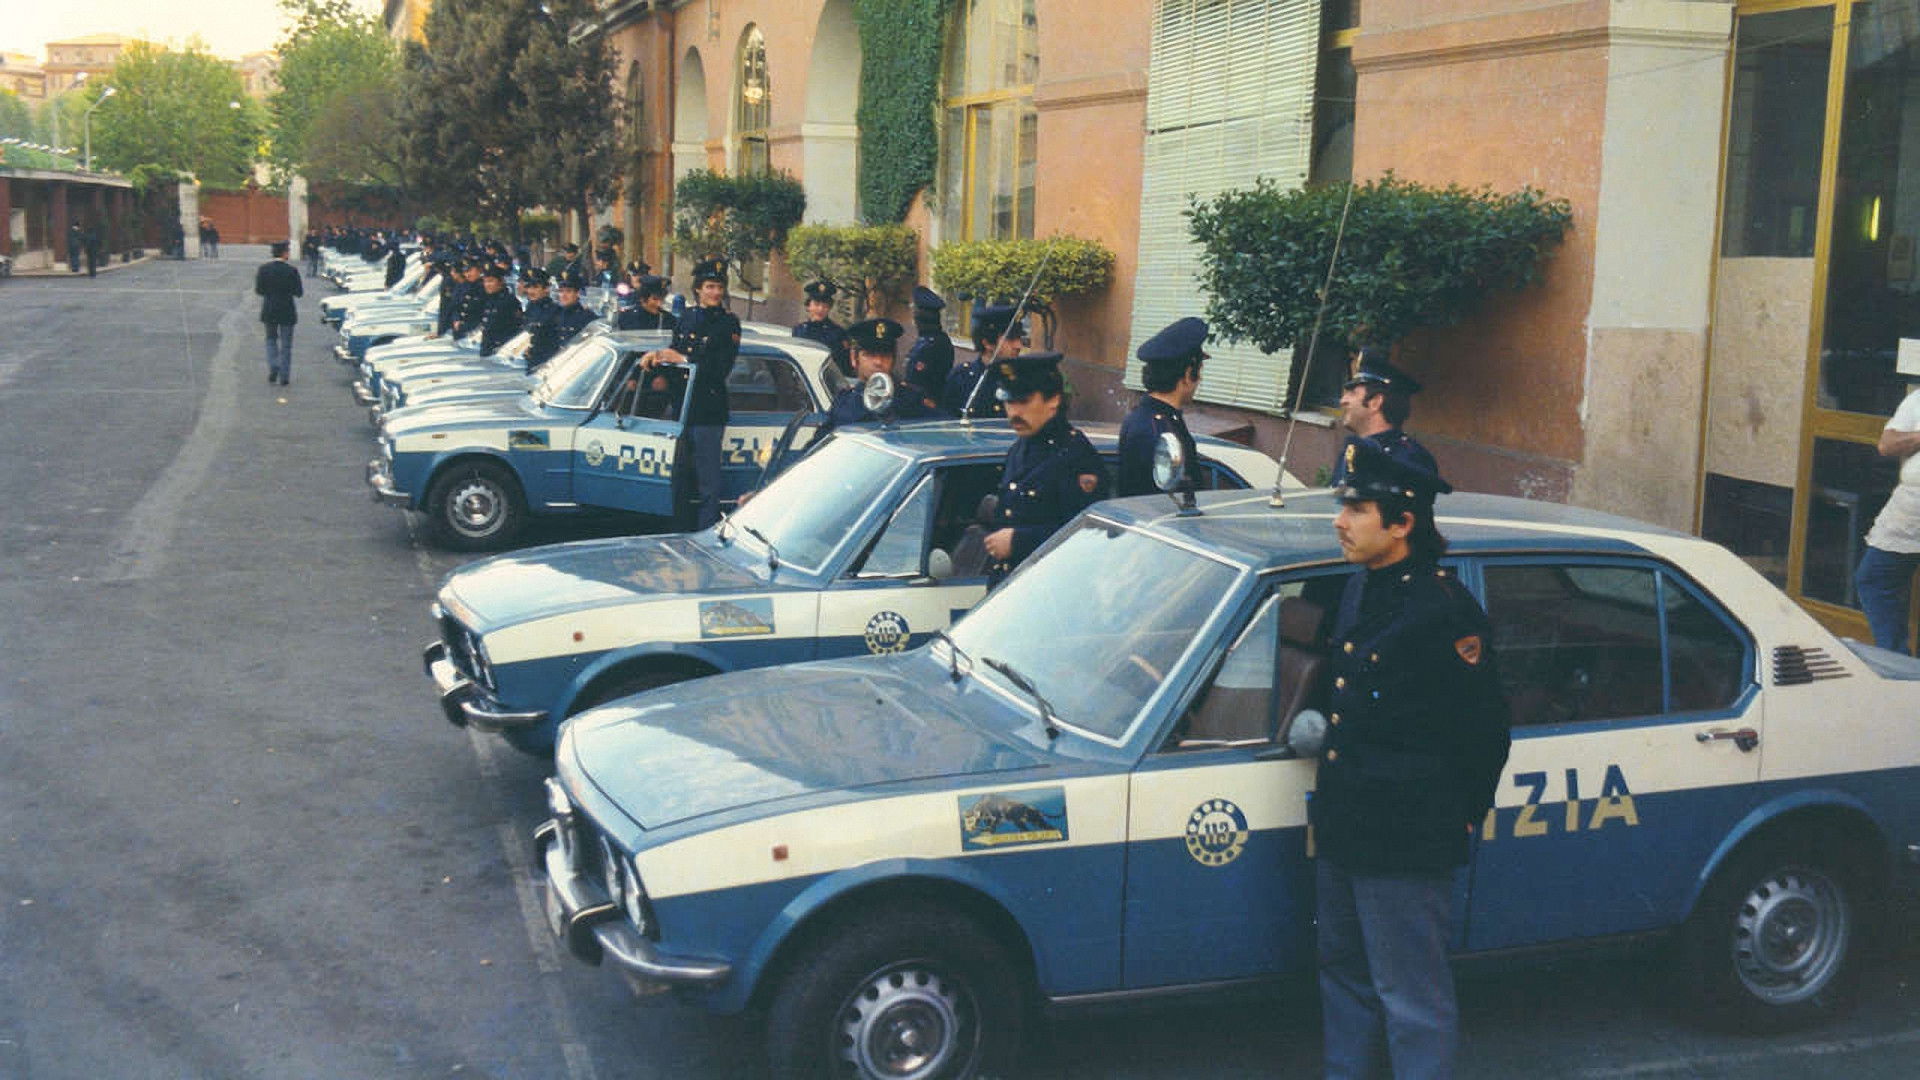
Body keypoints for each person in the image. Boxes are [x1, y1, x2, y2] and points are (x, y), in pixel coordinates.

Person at [1313, 437, 1510, 1080]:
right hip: (1346, 823)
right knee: (1343, 973)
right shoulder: (1360, 588)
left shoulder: (1443, 612)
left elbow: (1486, 732)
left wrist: (1458, 817)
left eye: (1357, 509)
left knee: (1410, 996)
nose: (1340, 521)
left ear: (1402, 524)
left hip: (1404, 837)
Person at [981, 351, 1109, 582]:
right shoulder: (1020, 448)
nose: (1014, 412)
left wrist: (1018, 541)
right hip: (1014, 583)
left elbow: (1086, 534)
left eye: (1024, 402)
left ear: (1053, 401)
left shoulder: (1075, 456)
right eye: (1009, 402)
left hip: (1053, 586)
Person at [641, 259, 739, 530]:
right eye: (709, 287)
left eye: (719, 287)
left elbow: (720, 368)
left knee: (708, 483)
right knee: (679, 480)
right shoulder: (686, 317)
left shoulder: (728, 323)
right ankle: (679, 533)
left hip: (708, 410)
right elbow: (673, 356)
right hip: (681, 409)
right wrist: (656, 359)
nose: (715, 292)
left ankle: (706, 533)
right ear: (698, 289)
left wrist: (683, 358)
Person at [1854, 383, 1920, 653]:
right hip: (1910, 506)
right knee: (1874, 578)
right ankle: (1897, 662)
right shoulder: (1917, 399)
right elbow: (1887, 444)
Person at [1117, 316, 1206, 497]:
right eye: (1199, 371)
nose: (1200, 379)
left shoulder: (1146, 417)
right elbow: (1165, 497)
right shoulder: (1158, 430)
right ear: (1188, 374)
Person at [1331, 347, 1437, 485]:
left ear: (1375, 402)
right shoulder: (1354, 451)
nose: (1343, 400)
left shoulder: (1409, 458)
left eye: (1352, 393)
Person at [943, 303, 1026, 419]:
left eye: (1019, 338)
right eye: (1010, 339)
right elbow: (948, 422)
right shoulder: (962, 378)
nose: (1018, 345)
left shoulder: (1024, 380)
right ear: (987, 343)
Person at [255, 240, 304, 386]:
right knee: (286, 344)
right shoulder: (292, 270)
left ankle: (274, 364)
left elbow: (259, 290)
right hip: (287, 310)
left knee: (271, 340)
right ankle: (284, 375)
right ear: (284, 253)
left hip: (269, 309)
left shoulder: (264, 269)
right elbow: (299, 292)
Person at [901, 286, 955, 414]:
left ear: (920, 315)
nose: (913, 314)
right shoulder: (926, 339)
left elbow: (918, 382)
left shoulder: (934, 344)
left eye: (914, 309)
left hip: (926, 407)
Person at [793, 279, 849, 374]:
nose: (820, 309)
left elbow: (844, 365)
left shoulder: (838, 333)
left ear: (829, 308)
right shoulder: (799, 330)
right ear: (808, 306)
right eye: (816, 304)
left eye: (825, 306)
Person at [475, 265, 524, 356]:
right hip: (486, 349)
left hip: (501, 350)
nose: (487, 285)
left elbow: (517, 328)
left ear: (501, 281)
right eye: (485, 281)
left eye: (491, 281)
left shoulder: (510, 301)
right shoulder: (486, 300)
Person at [519, 267, 561, 370]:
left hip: (543, 364)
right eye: (529, 287)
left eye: (535, 287)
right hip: (524, 359)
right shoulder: (530, 307)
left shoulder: (554, 311)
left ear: (546, 289)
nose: (530, 291)